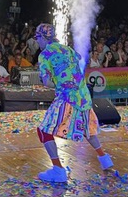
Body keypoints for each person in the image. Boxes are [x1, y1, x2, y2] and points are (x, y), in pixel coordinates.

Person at [33, 23, 113, 183]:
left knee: (44, 131)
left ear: (43, 37)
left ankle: (58, 170)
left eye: (37, 38)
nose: (37, 42)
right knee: (87, 129)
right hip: (83, 95)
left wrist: (46, 80)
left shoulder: (45, 55)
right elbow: (80, 59)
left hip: (66, 97)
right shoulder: (67, 49)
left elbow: (48, 82)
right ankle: (104, 159)